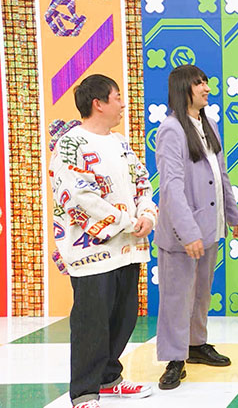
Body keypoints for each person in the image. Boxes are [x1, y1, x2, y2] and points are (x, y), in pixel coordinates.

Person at [50, 74, 157, 408]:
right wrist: (127, 221)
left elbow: (142, 182)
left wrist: (148, 214)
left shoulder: (120, 143)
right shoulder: (71, 144)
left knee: (123, 318)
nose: (123, 103)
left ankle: (109, 378)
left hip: (128, 249)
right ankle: (84, 391)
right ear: (98, 103)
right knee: (91, 322)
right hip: (92, 253)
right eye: (117, 97)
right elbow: (80, 198)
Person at [154, 64, 238, 390]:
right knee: (177, 296)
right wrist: (188, 232)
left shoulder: (209, 124)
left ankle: (195, 345)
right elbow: (171, 187)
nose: (206, 88)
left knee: (201, 293)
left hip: (210, 227)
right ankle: (174, 359)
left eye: (206, 82)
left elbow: (221, 175)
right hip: (184, 233)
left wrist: (232, 215)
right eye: (199, 83)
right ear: (183, 89)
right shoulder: (170, 130)